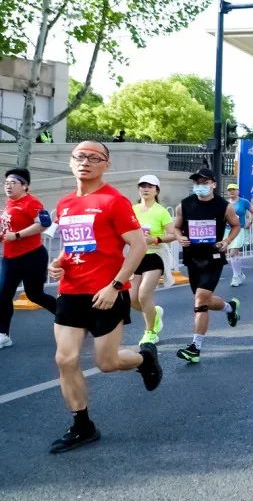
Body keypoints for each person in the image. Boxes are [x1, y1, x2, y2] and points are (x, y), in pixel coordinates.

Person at [48, 141, 162, 453]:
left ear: (106, 165)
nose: (85, 162)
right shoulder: (65, 204)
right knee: (64, 359)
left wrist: (115, 286)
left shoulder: (114, 201)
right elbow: (72, 247)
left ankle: (145, 358)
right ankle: (82, 425)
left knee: (107, 363)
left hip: (106, 292)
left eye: (94, 158)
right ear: (71, 161)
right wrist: (58, 263)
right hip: (71, 291)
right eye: (80, 156)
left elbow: (138, 246)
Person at [174, 168, 242, 364]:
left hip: (213, 257)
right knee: (203, 301)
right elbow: (177, 227)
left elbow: (236, 225)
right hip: (192, 258)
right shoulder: (184, 205)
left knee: (200, 299)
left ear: (214, 184)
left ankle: (195, 347)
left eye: (205, 183)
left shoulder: (224, 206)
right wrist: (179, 237)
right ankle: (230, 307)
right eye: (197, 183)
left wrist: (226, 241)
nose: (200, 186)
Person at [1, 168, 57, 348]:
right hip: (10, 258)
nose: (8, 186)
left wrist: (17, 235)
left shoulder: (32, 203)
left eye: (13, 183)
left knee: (35, 295)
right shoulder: (9, 203)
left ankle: (70, 319)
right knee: (3, 295)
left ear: (25, 186)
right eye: (6, 183)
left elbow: (44, 223)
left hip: (32, 256)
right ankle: (3, 334)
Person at [131, 175, 176, 345]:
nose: (146, 189)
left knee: (144, 295)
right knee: (132, 299)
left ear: (156, 190)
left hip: (155, 255)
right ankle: (154, 313)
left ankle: (150, 332)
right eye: (142, 186)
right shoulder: (132, 209)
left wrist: (155, 239)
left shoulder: (161, 211)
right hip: (136, 256)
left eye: (150, 186)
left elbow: (173, 235)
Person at [225, 183, 253, 286]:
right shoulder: (225, 203)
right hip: (227, 230)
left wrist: (249, 222)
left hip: (239, 229)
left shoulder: (243, 202)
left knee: (233, 252)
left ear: (238, 191)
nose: (231, 192)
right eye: (229, 190)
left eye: (234, 189)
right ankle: (239, 273)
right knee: (232, 253)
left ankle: (236, 276)